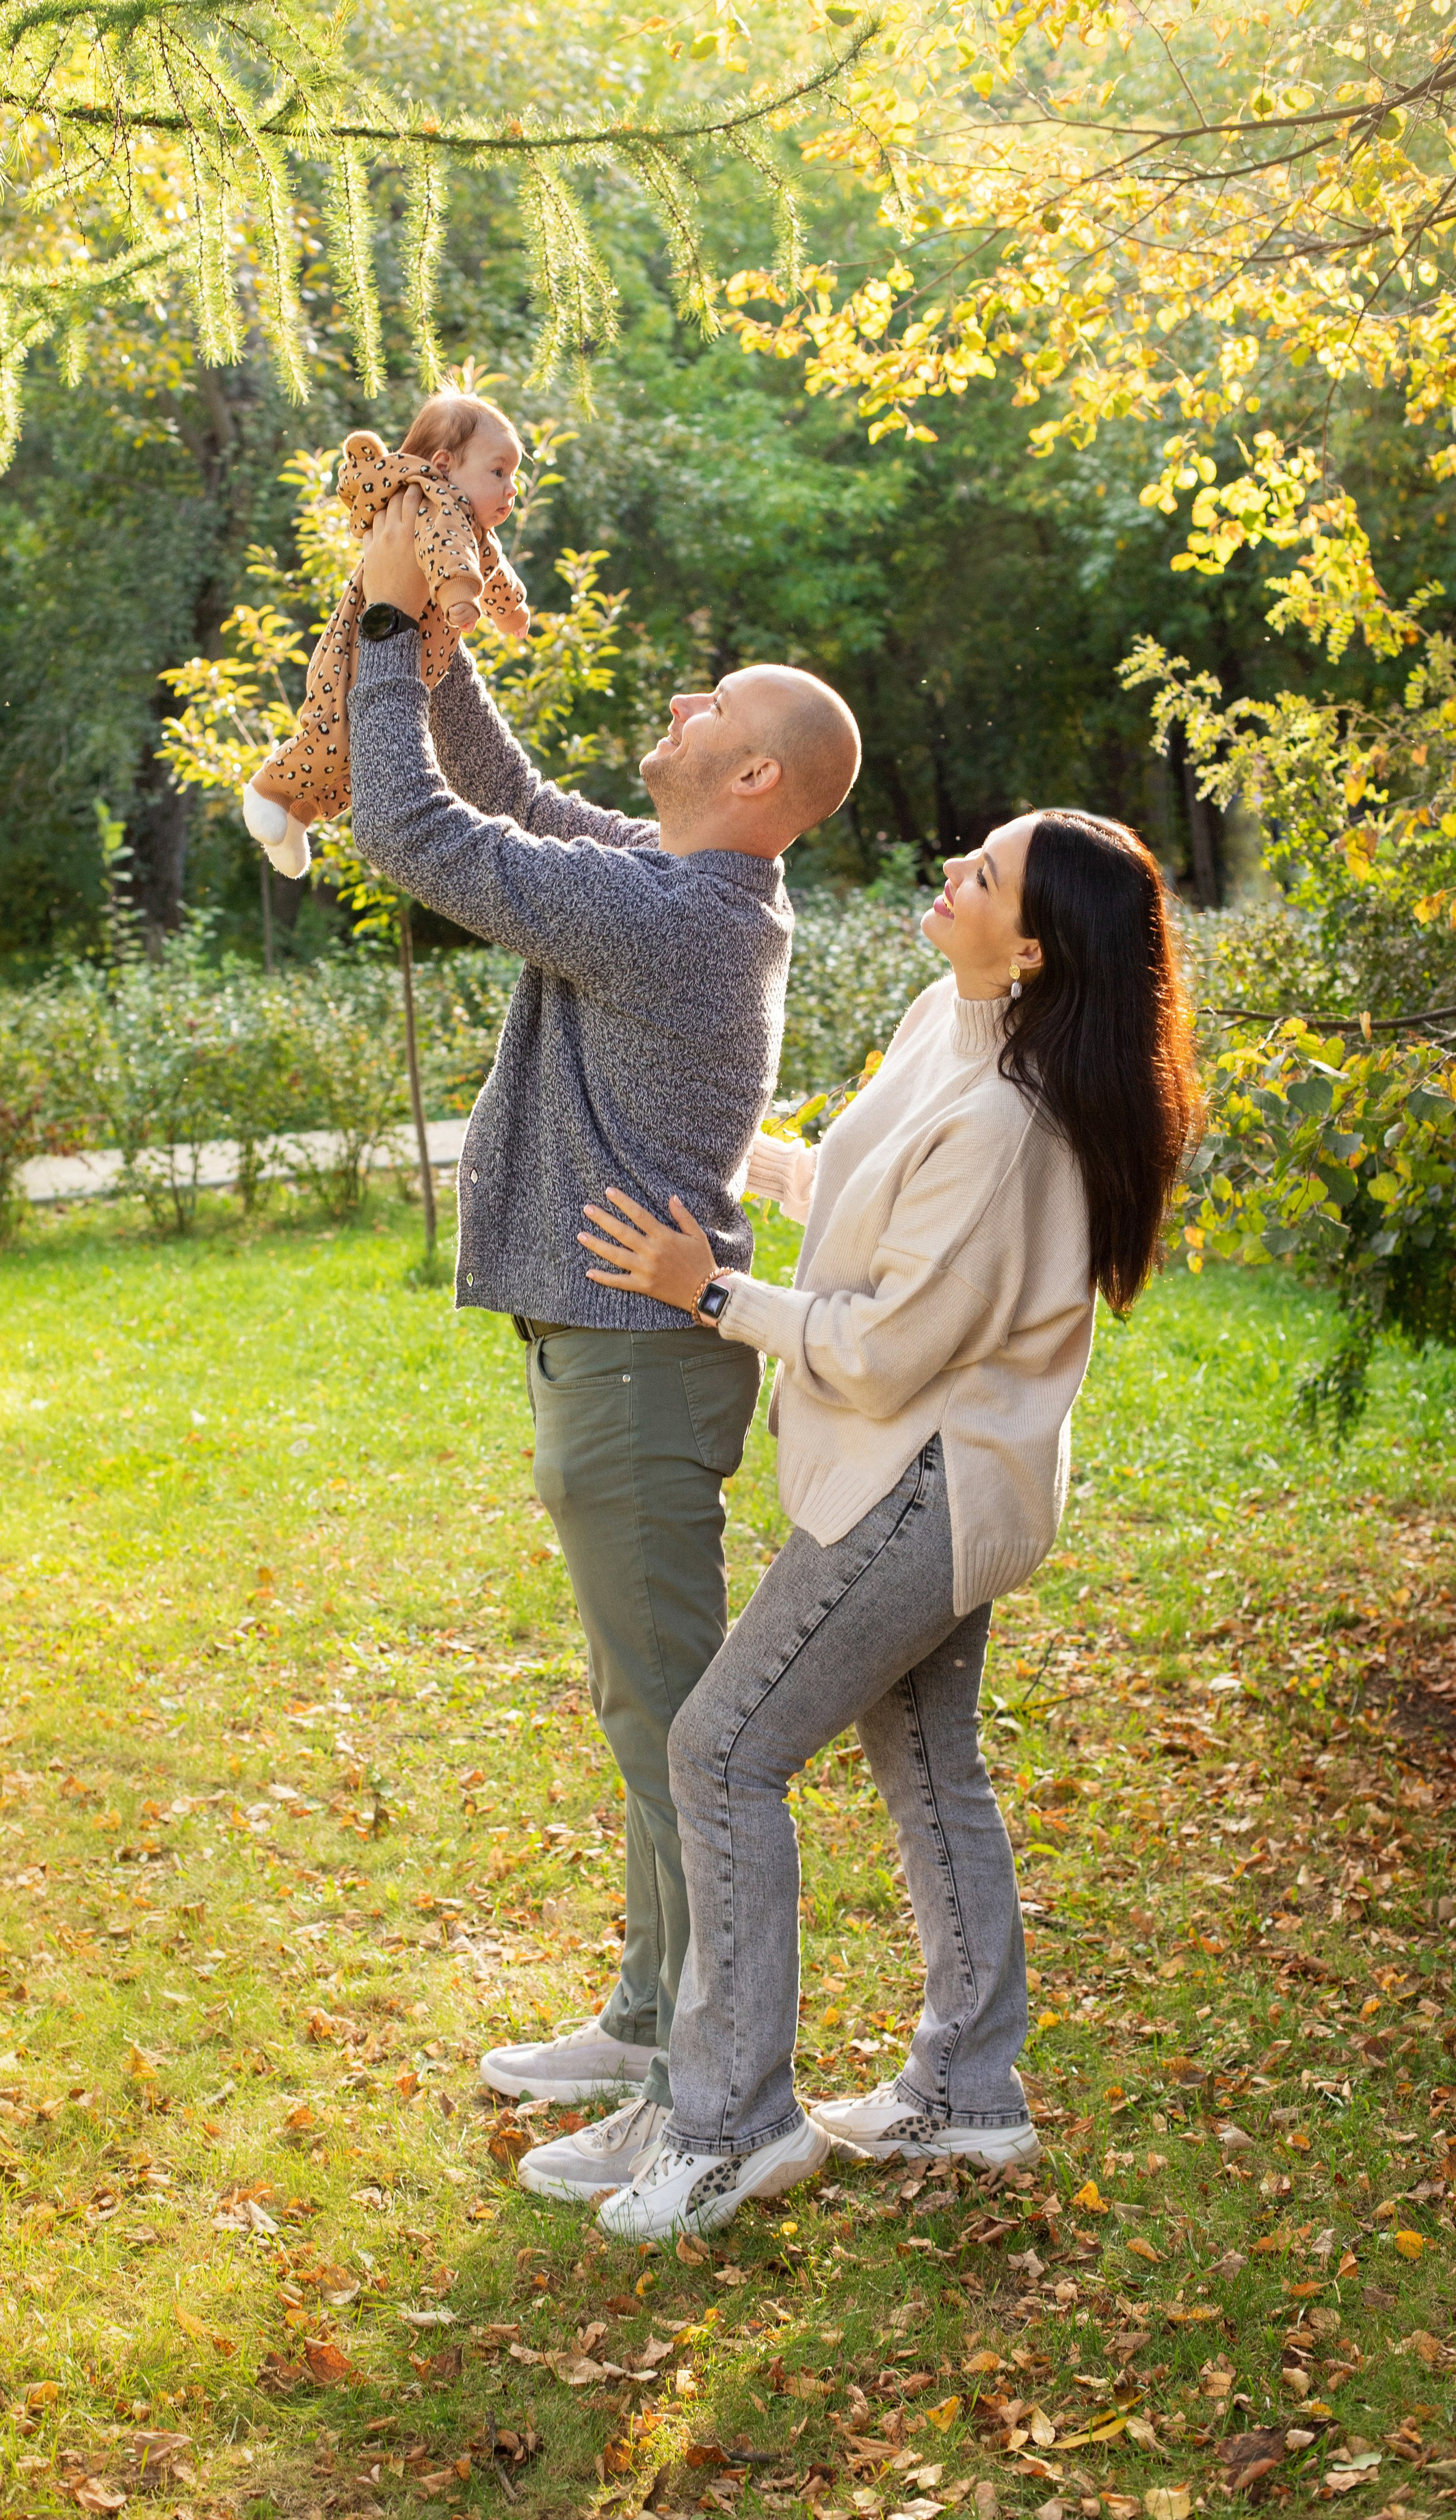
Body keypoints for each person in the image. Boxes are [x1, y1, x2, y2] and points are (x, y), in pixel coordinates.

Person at [336, 478, 862, 2203]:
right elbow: (502, 791)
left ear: (753, 780)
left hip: (636, 1360)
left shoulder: (673, 915)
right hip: (613, 1345)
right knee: (647, 1705)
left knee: (673, 1732)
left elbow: (419, 839)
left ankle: (716, 2079)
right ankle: (654, 2017)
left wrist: (389, 624)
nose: (677, 705)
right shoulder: (674, 881)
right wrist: (444, 638)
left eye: (709, 707)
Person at [572, 807, 1202, 2234]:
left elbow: (873, 1343)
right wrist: (755, 1168)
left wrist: (705, 1291)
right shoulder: (952, 1015)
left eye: (979, 877)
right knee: (926, 1769)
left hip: (919, 1487)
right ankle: (965, 2093)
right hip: (932, 1474)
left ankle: (732, 2126)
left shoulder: (1008, 1123)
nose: (948, 876)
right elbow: (871, 1191)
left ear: (1031, 948)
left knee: (722, 1751)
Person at [243, 395, 533, 869]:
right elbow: (449, 554)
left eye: (513, 477)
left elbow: (493, 571)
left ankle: (300, 815)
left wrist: (510, 611)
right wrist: (461, 596)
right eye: (498, 472)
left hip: (406, 669)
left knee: (362, 759)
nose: (511, 489)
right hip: (358, 655)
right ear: (444, 465)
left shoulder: (475, 530)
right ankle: (268, 789)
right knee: (333, 732)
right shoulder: (437, 503)